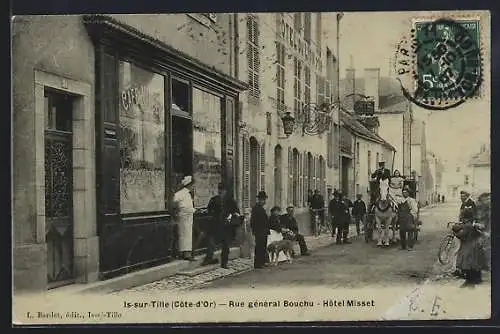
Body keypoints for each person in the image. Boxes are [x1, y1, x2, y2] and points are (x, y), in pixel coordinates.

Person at [204, 183, 241, 268]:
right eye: (220, 190)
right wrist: (213, 216)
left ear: (226, 191)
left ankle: (224, 262)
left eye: (223, 190)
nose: (221, 191)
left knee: (226, 245)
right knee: (211, 242)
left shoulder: (230, 201)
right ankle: (208, 258)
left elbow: (236, 212)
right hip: (216, 225)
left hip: (226, 226)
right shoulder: (214, 200)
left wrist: (229, 218)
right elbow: (209, 210)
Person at [172, 175, 196, 261]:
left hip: (187, 218)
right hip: (183, 217)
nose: (193, 187)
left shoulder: (186, 194)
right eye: (193, 185)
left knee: (185, 235)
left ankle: (185, 253)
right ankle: (185, 254)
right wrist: (193, 210)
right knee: (184, 235)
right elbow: (182, 206)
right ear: (190, 185)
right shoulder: (182, 194)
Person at [250, 191, 270, 269]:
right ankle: (258, 263)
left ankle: (262, 262)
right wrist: (255, 231)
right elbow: (253, 221)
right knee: (259, 247)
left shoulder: (261, 208)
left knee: (263, 247)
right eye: (263, 200)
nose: (264, 201)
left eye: (264, 199)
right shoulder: (256, 208)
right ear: (259, 200)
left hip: (263, 231)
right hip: (259, 231)